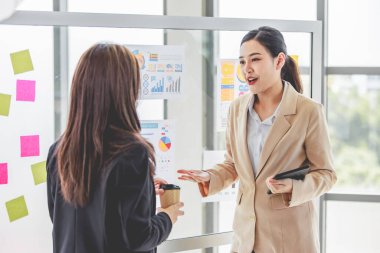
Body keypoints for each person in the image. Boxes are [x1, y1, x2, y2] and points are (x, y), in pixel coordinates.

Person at [178, 26, 336, 253]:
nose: (247, 69)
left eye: (255, 59)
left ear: (279, 60)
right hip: (245, 237)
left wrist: (293, 186)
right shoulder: (237, 109)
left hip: (289, 239)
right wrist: (209, 175)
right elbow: (234, 164)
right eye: (242, 62)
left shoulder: (308, 111)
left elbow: (326, 174)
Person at [46, 43, 184, 253]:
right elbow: (138, 237)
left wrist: (144, 190)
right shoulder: (131, 153)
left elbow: (71, 215)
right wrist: (167, 216)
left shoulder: (59, 151)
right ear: (124, 90)